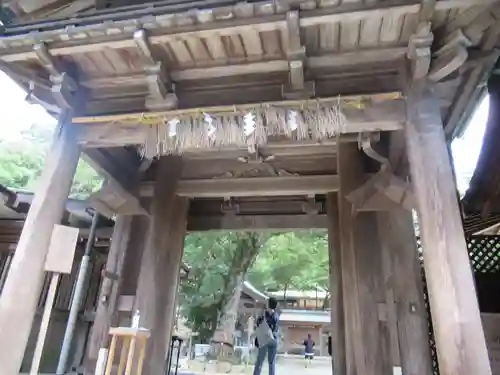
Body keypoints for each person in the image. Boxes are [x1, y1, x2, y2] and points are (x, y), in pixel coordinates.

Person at [253, 297, 279, 375]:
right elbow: (275, 328)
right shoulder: (276, 315)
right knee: (271, 362)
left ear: (269, 304)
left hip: (265, 339)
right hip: (274, 339)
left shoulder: (263, 314)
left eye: (267, 303)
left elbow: (258, 325)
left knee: (260, 361)